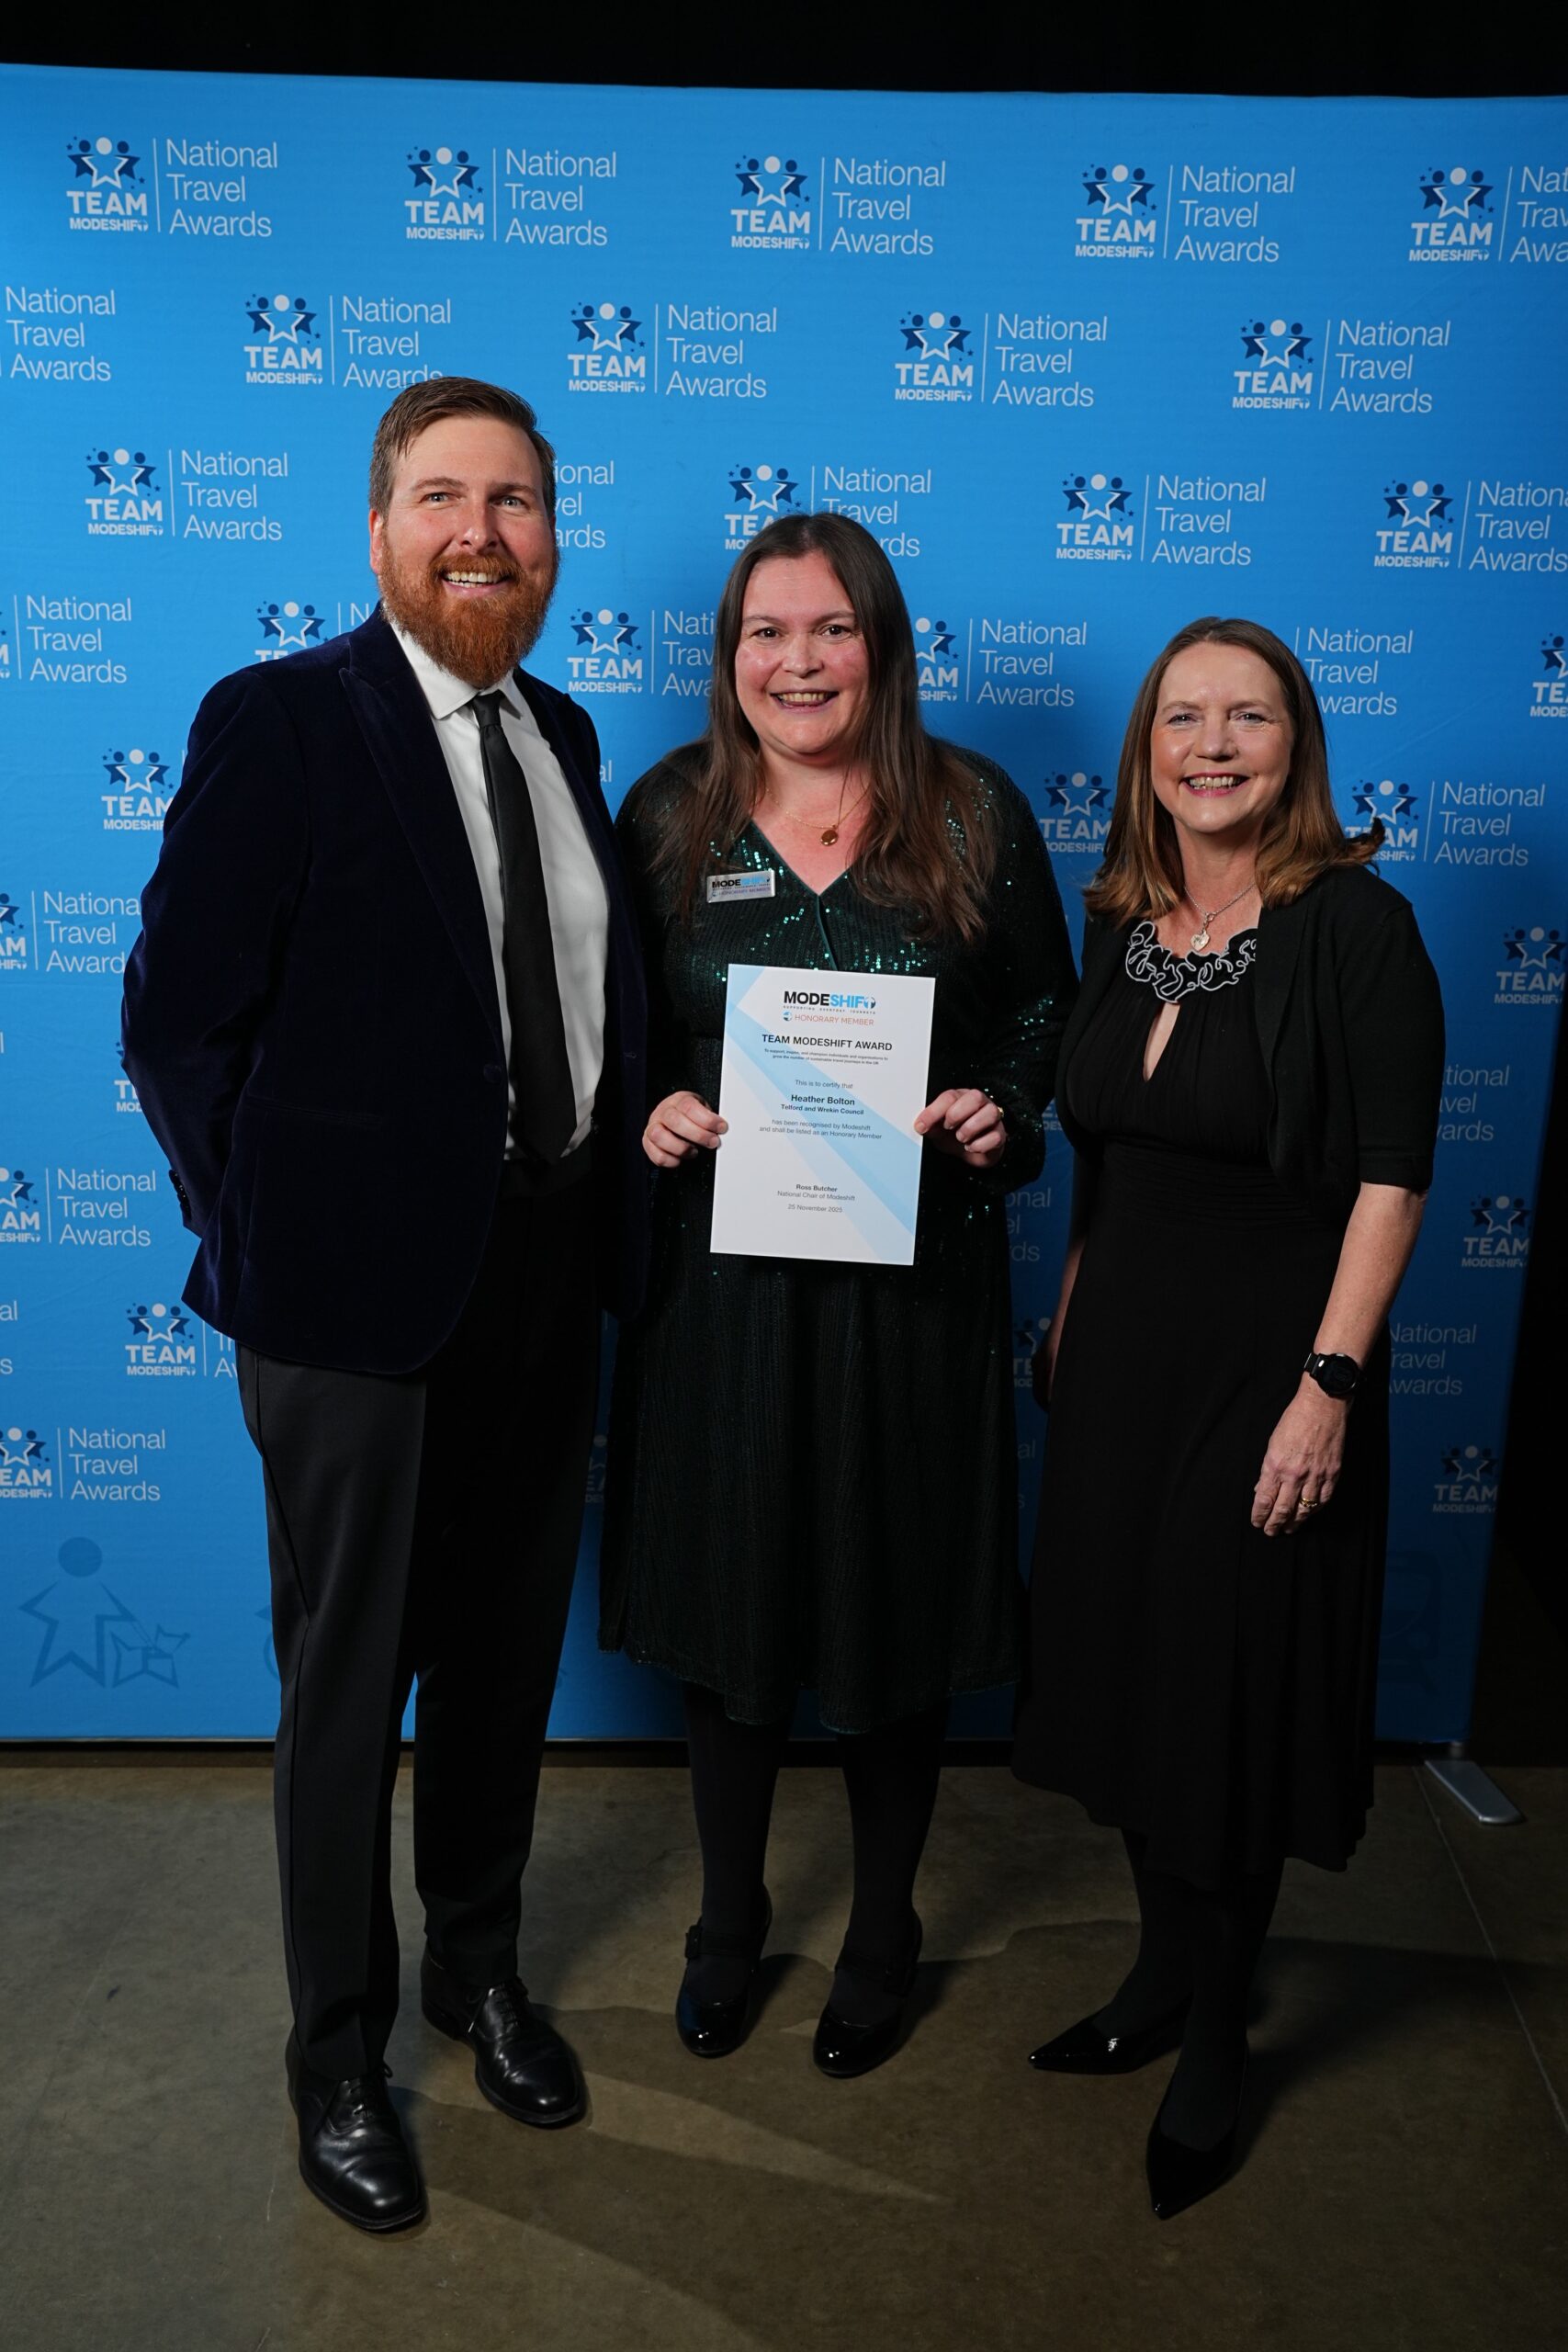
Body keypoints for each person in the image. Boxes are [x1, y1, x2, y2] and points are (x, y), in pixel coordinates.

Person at [121, 379, 647, 2233]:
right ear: (377, 528)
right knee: (348, 1689)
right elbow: (176, 1016)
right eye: (442, 496)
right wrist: (261, 1238)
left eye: (514, 502)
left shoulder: (567, 734)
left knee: (504, 1663)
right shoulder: (284, 720)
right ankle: (335, 2052)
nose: (480, 531)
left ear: (551, 537)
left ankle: (475, 1969)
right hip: (345, 1310)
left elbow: (584, 1006)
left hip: (543, 1275)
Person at [601, 512, 1076, 2077]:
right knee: (733, 1608)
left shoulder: (973, 812)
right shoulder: (669, 813)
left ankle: (883, 1932)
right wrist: (654, 1107)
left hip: (913, 1289)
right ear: (728, 655)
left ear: (881, 643)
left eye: (830, 629)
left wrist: (1001, 1111)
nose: (796, 661)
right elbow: (611, 1035)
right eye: (765, 632)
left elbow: (1043, 1015)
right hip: (721, 1292)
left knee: (889, 1601)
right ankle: (725, 1924)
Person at [1013, 616, 1442, 2219]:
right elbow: (1107, 1156)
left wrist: (1325, 1393)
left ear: (1295, 747)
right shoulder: (1121, 920)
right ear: (1145, 753)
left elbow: (1394, 1182)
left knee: (1224, 1688)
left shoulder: (1360, 929)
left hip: (1276, 1370)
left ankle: (1215, 2043)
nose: (1212, 746)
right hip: (1121, 1362)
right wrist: (1064, 1315)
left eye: (1247, 719)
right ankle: (1157, 1976)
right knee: (1130, 1673)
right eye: (1182, 720)